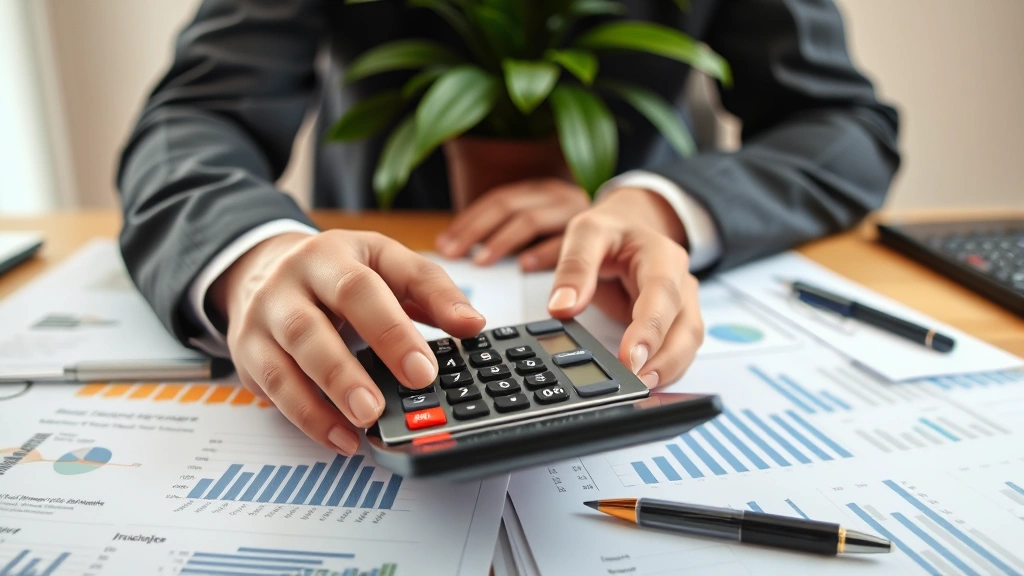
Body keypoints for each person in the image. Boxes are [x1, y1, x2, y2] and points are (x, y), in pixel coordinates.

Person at [117, 0, 900, 456]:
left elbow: (842, 123)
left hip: (624, 258)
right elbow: (195, 115)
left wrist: (660, 205)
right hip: (379, 250)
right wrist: (253, 256)